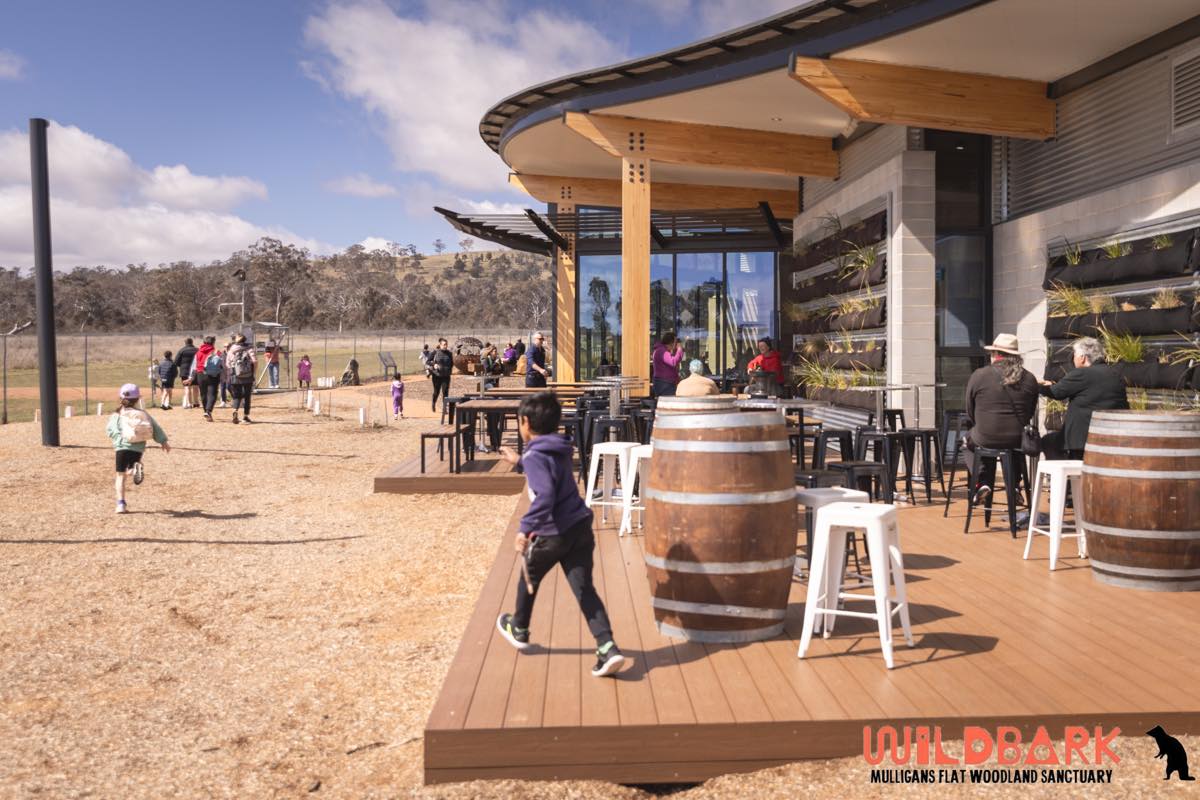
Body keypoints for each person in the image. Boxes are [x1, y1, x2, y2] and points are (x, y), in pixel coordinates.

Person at [495, 392, 625, 678]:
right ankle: (607, 647)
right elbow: (550, 473)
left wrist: (524, 529)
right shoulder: (560, 447)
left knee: (528, 575)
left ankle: (519, 627)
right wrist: (520, 462)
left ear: (525, 422)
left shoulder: (535, 454)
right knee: (584, 590)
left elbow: (545, 494)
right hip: (579, 529)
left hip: (552, 533)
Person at [962, 333, 1040, 500]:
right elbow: (1030, 412)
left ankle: (982, 482)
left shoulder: (979, 375)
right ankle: (1014, 486)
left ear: (995, 355)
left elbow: (970, 409)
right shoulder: (1030, 378)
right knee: (1012, 444)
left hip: (986, 436)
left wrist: (982, 423)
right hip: (1017, 439)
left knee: (968, 441)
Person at [1039, 336, 1129, 460]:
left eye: (1074, 354)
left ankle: (1066, 478)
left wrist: (1036, 385)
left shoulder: (1082, 374)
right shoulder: (1115, 374)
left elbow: (1055, 393)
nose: (1073, 358)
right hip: (1110, 437)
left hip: (1081, 441)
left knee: (1047, 442)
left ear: (1082, 358)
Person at [106, 383, 169, 514]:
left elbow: (110, 430)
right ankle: (134, 469)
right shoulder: (142, 413)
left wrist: (118, 439)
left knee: (120, 475)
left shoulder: (116, 415)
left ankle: (120, 504)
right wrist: (163, 441)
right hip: (138, 448)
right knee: (130, 468)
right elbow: (155, 428)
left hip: (121, 447)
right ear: (138, 399)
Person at [190, 335, 222, 422]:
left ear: (204, 342)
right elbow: (222, 363)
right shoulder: (216, 351)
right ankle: (208, 411)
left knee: (203, 394)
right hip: (213, 375)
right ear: (213, 342)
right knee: (212, 393)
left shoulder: (198, 352)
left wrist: (191, 377)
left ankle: (206, 411)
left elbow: (194, 366)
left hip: (200, 374)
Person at [226, 334, 256, 424]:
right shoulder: (249, 348)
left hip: (235, 376)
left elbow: (227, 364)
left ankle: (235, 410)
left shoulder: (231, 350)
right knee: (247, 396)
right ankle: (245, 417)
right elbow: (255, 361)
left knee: (237, 395)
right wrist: (253, 372)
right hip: (248, 376)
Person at [650, 332, 684, 397]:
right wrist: (679, 350)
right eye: (675, 342)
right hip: (664, 384)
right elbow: (673, 362)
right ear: (671, 343)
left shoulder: (662, 350)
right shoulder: (661, 351)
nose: (676, 345)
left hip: (665, 383)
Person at [429, 337, 454, 412]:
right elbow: (428, 361)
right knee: (436, 392)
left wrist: (449, 370)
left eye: (446, 344)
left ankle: (444, 408)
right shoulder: (435, 352)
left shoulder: (449, 353)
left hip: (446, 376)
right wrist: (434, 365)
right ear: (440, 345)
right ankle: (433, 403)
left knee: (445, 392)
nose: (445, 346)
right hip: (437, 376)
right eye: (444, 345)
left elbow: (452, 363)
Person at [174, 338, 198, 408]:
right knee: (196, 386)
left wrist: (182, 365)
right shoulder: (197, 350)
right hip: (195, 370)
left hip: (184, 371)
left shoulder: (182, 350)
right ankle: (196, 403)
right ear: (192, 342)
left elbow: (176, 362)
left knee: (187, 387)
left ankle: (189, 403)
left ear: (185, 343)